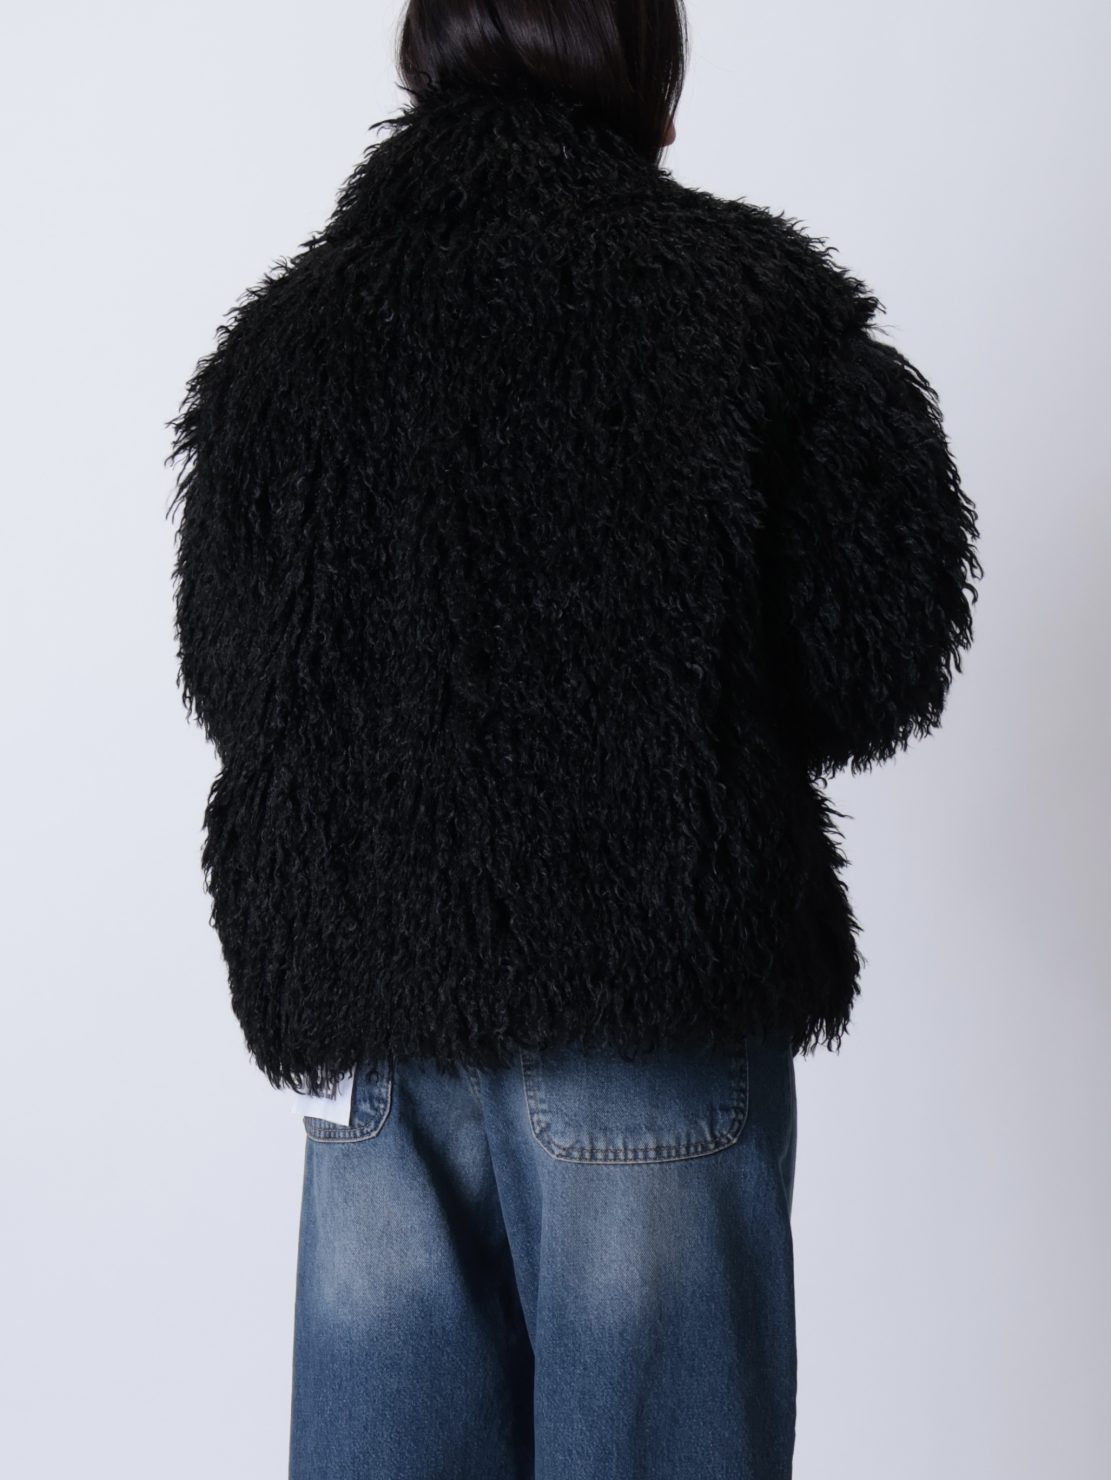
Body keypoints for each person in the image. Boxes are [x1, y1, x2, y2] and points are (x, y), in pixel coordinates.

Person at [168, 2, 981, 1475]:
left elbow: (239, 681)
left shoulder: (284, 350)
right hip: (650, 1005)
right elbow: (881, 652)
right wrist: (675, 714)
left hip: (380, 1036)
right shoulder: (752, 309)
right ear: (644, 63)